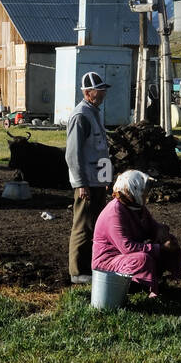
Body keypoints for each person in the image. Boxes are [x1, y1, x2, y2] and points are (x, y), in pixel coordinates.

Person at [92, 170, 181, 299]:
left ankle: (154, 280)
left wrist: (162, 231)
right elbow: (127, 247)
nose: (146, 193)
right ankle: (142, 287)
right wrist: (161, 248)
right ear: (133, 190)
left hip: (123, 256)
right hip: (108, 261)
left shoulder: (136, 207)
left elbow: (152, 226)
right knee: (142, 259)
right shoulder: (115, 212)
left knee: (169, 241)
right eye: (143, 190)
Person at [65, 71, 112, 284]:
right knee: (83, 225)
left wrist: (105, 179)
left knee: (96, 224)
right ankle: (77, 271)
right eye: (98, 90)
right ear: (87, 92)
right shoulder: (80, 116)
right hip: (87, 182)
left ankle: (92, 266)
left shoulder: (93, 112)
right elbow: (73, 154)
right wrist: (81, 183)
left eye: (103, 90)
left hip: (97, 180)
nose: (102, 93)